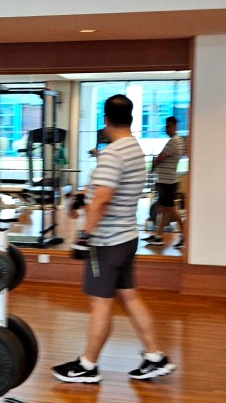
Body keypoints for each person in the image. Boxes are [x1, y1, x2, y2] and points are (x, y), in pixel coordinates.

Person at [52, 95, 175, 383]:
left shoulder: (112, 153)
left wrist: (84, 235)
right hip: (126, 237)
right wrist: (82, 198)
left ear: (105, 120)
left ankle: (88, 365)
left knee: (100, 303)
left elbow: (103, 200)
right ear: (130, 118)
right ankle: (154, 356)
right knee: (129, 297)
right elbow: (102, 191)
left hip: (106, 242)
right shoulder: (134, 148)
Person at [144, 116, 186, 249]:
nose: (166, 129)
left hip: (168, 182)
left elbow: (160, 158)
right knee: (163, 210)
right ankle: (158, 236)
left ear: (174, 127)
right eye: (166, 126)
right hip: (166, 181)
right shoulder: (176, 141)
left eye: (168, 126)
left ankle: (184, 235)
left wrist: (153, 165)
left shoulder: (174, 141)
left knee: (170, 210)